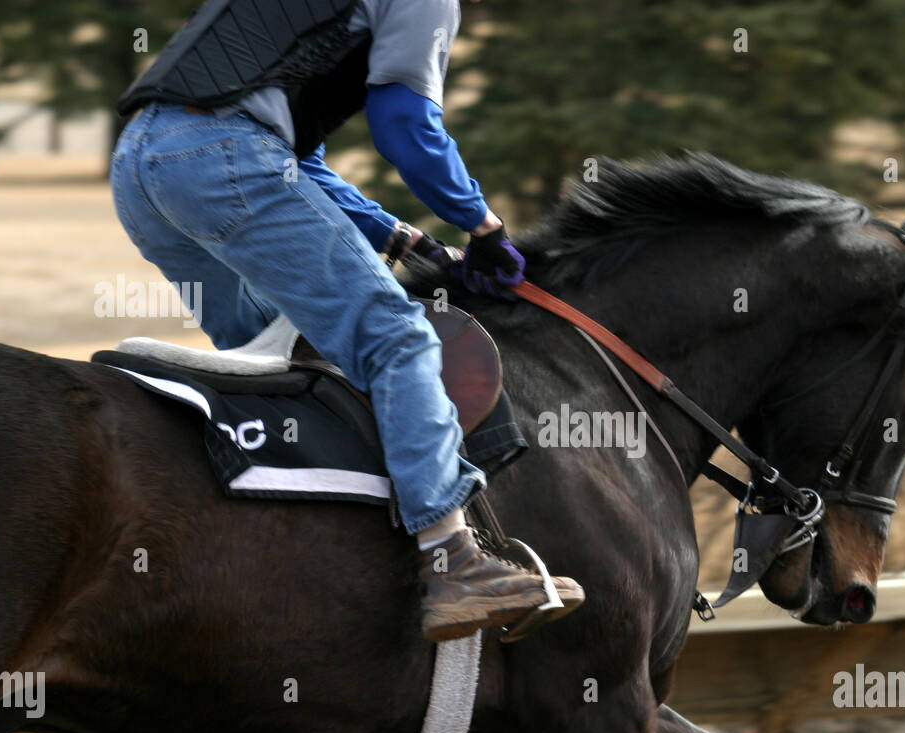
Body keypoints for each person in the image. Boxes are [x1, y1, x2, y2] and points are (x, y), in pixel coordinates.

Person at [109, 0, 583, 642]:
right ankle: (452, 562)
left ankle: (284, 539)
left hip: (140, 164)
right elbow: (404, 124)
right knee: (397, 338)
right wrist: (483, 226)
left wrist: (405, 240)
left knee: (269, 354)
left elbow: (296, 161)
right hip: (222, 159)